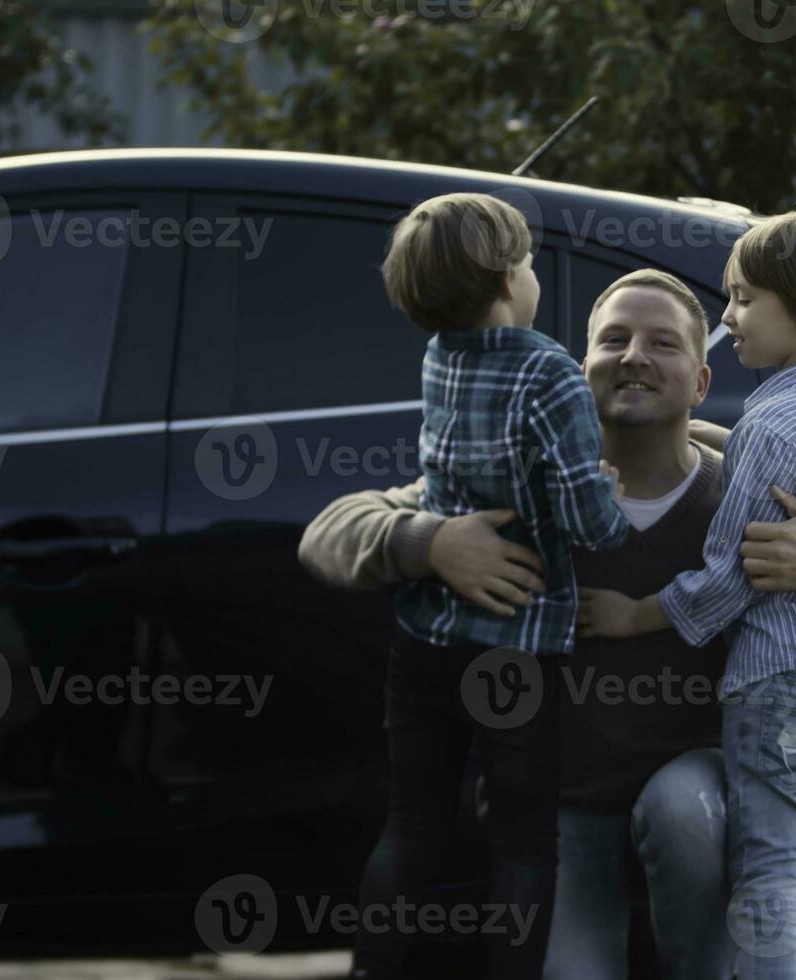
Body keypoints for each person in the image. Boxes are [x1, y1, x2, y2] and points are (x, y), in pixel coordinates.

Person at [300, 267, 796, 979]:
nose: (635, 355)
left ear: (700, 382)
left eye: (663, 343)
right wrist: (431, 543)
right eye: (614, 339)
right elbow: (329, 533)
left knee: (684, 808)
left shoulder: (752, 488)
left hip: (702, 803)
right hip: (567, 815)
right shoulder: (522, 487)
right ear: (580, 373)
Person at [577, 207, 796, 979]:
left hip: (774, 688)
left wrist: (636, 616)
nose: (730, 315)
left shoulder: (772, 422)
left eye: (746, 298)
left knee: (765, 879)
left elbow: (732, 574)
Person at [353, 192, 631, 980]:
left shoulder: (439, 354)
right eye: (530, 263)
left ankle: (375, 967)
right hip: (516, 645)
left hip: (425, 636)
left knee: (411, 822)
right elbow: (590, 522)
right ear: (510, 281)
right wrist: (607, 491)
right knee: (520, 839)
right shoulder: (549, 372)